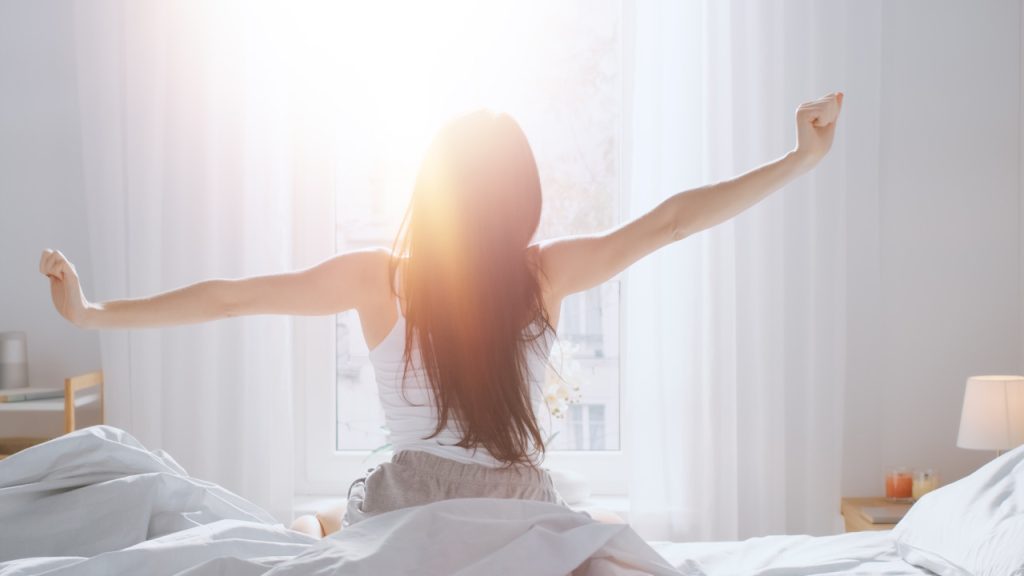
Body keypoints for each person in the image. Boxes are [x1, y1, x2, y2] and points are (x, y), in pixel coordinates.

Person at [40, 92, 843, 538]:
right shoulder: (545, 274)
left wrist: (93, 312)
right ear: (520, 198)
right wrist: (799, 158)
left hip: (408, 503)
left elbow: (230, 297)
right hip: (517, 507)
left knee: (310, 525)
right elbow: (671, 222)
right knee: (316, 522)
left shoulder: (380, 280)